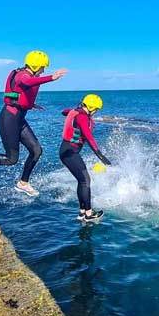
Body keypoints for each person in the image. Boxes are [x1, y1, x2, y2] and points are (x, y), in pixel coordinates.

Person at [0, 51, 67, 196]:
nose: (43, 71)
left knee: (36, 150)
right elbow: (26, 82)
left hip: (19, 118)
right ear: (36, 65)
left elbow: (20, 93)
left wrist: (31, 104)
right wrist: (51, 78)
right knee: (11, 159)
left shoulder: (27, 74)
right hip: (9, 118)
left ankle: (23, 183)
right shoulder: (22, 75)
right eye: (42, 67)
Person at [59, 94, 111, 223]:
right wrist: (100, 155)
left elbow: (64, 111)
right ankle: (89, 214)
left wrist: (71, 111)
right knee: (86, 180)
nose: (96, 112)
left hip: (66, 151)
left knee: (81, 180)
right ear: (92, 107)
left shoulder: (76, 112)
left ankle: (82, 212)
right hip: (70, 153)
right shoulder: (82, 117)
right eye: (96, 110)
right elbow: (88, 137)